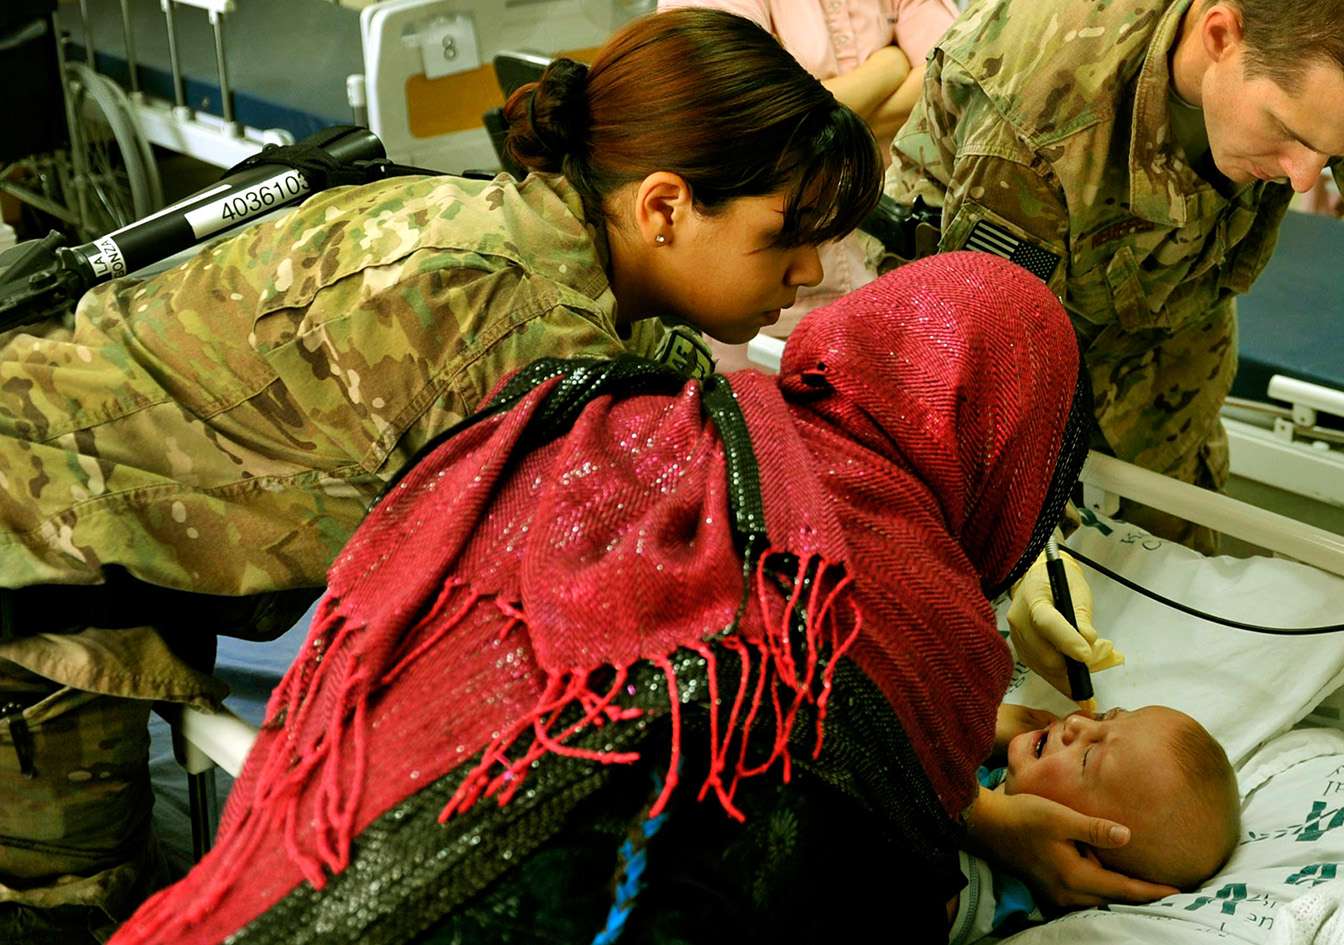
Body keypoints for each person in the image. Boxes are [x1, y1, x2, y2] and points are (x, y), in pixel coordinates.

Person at [0, 9, 880, 939]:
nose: (813, 267)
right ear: (664, 207)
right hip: (38, 519)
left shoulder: (550, 240)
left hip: (96, 471)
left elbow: (684, 403)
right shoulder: (517, 333)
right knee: (78, 912)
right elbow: (633, 615)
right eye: (789, 234)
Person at [107, 252, 1131, 944]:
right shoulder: (934, 617)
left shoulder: (658, 408)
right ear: (1005, 448)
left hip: (350, 797)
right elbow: (868, 849)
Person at [879, 0, 1344, 691]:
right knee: (979, 622)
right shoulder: (1039, 101)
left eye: (1335, 155)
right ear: (1221, 33)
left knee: (1172, 587)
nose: (1306, 177)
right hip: (963, 320)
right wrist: (1023, 544)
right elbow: (973, 346)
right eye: (1285, 130)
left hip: (1171, 327)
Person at [656, 0, 960, 370]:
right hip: (767, 314)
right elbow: (743, 120)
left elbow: (949, 88)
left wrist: (814, 119)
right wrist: (889, 66)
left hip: (896, 286)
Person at [950, 704, 1241, 942]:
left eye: (1088, 757)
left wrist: (960, 721)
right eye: (1106, 717)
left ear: (1080, 854)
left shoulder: (982, 894)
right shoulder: (1010, 771)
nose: (1077, 721)